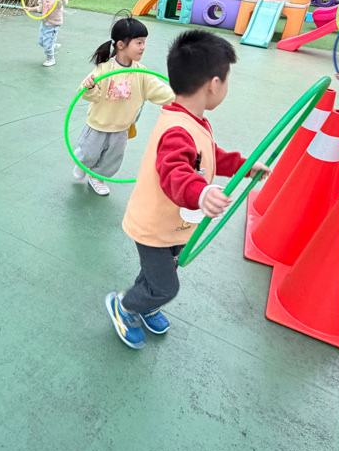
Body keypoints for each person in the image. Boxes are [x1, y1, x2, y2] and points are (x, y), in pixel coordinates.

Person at [105, 29, 270, 348]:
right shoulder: (178, 130)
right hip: (154, 225)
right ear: (214, 84)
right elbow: (175, 173)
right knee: (166, 286)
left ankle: (144, 300)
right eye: (227, 80)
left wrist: (244, 167)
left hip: (174, 224)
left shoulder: (191, 120)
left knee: (160, 271)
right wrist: (202, 193)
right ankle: (125, 306)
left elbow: (209, 156)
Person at [73, 14, 173, 196]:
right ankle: (83, 163)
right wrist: (89, 87)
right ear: (121, 45)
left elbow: (158, 89)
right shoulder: (104, 69)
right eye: (139, 42)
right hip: (98, 124)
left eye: (144, 42)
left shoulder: (141, 73)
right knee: (89, 152)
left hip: (121, 128)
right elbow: (90, 94)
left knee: (112, 159)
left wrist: (180, 99)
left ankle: (98, 177)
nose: (143, 47)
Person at [37, 0, 67, 66]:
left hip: (54, 24)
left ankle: (51, 59)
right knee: (41, 42)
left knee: (47, 46)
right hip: (44, 22)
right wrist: (29, 9)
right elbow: (40, 8)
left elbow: (65, 2)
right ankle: (53, 47)